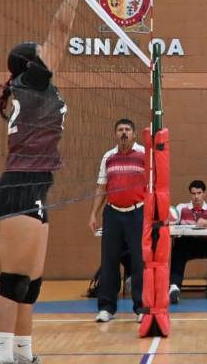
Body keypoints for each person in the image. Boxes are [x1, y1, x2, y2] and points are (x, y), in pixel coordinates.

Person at [0, 0, 82, 364]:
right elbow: (60, 30)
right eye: (40, 51)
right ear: (31, 63)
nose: (48, 52)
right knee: (13, 280)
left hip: (36, 186)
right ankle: (1, 356)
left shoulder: (33, 88)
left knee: (31, 283)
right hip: (20, 185)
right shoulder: (33, 81)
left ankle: (24, 354)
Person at [88, 119, 146, 323]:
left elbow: (153, 185)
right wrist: (93, 214)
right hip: (112, 214)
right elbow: (101, 187)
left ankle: (141, 307)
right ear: (115, 134)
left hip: (137, 213)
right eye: (120, 130)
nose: (124, 133)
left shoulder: (144, 155)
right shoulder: (108, 157)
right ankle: (106, 308)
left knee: (138, 261)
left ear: (134, 134)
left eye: (127, 129)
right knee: (109, 261)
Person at [168, 180, 207, 302]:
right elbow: (172, 223)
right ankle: (174, 287)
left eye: (199, 193)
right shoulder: (181, 208)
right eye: (193, 193)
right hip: (185, 245)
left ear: (204, 194)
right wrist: (170, 220)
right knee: (178, 247)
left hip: (204, 244)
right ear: (190, 194)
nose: (196, 196)